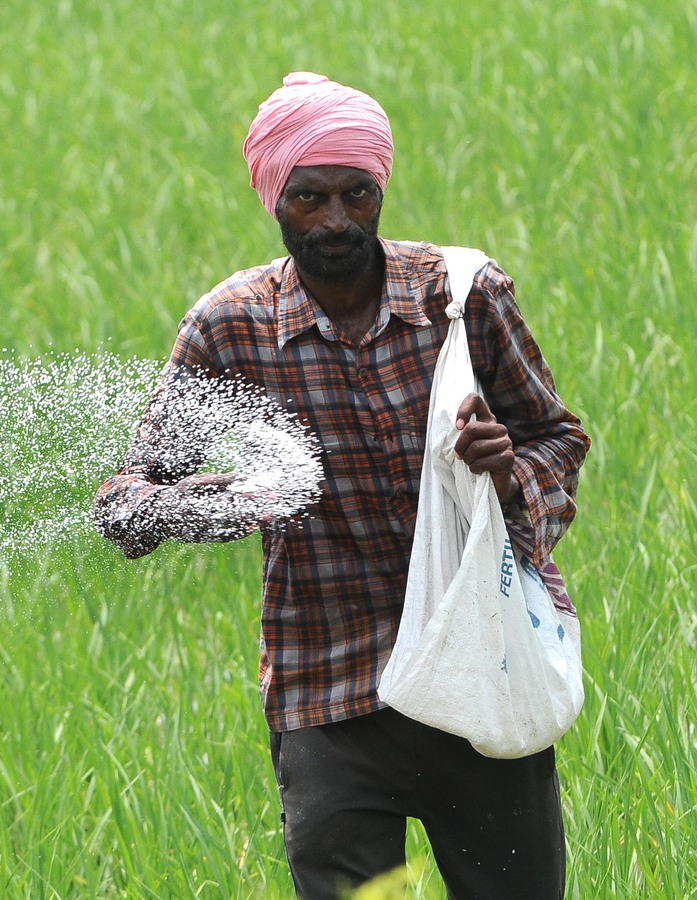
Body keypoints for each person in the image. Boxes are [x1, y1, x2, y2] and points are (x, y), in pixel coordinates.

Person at [93, 72, 590, 899]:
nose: (334, 220)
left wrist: (508, 471)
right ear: (273, 197)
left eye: (357, 195)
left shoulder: (460, 299)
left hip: (478, 668)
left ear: (380, 190)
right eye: (309, 197)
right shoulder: (230, 328)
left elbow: (558, 439)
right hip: (329, 696)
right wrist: (231, 501)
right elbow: (125, 503)